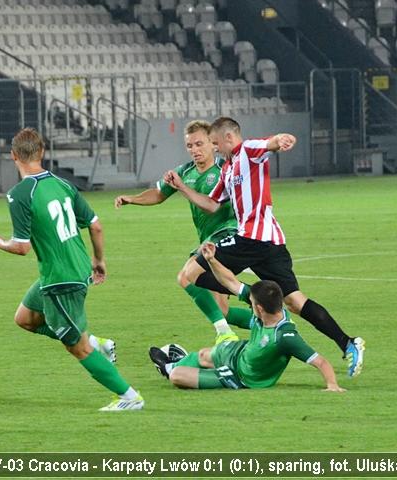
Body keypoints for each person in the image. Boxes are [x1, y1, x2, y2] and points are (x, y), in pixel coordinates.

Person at [164, 117, 365, 377]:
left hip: (253, 238)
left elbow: (269, 144)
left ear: (228, 138)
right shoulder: (228, 169)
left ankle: (255, 300)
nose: (215, 148)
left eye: (215, 143)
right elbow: (212, 205)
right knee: (294, 301)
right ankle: (348, 343)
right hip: (269, 243)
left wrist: (281, 140)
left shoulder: (248, 151)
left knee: (190, 275)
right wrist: (181, 187)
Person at [0, 127, 144, 411]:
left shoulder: (20, 194)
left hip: (61, 280)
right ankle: (97, 341)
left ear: (13, 156)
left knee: (77, 348)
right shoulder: (63, 184)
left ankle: (130, 397)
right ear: (42, 152)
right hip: (73, 269)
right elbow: (95, 224)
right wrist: (99, 260)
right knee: (25, 318)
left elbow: (21, 246)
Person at [114, 120, 252, 343]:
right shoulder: (185, 172)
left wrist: (182, 187)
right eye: (189, 146)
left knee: (186, 277)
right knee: (221, 310)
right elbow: (158, 195)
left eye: (199, 144)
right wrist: (132, 199)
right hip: (209, 239)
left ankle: (224, 334)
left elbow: (212, 205)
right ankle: (272, 322)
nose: (194, 150)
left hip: (227, 234)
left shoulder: (223, 170)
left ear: (213, 143)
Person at [149, 243, 346, 392]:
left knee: (177, 376)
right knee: (203, 355)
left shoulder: (285, 336)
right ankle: (178, 360)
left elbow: (320, 361)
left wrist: (332, 385)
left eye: (251, 303)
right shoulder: (266, 309)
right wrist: (211, 260)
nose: (248, 302)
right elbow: (231, 282)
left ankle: (170, 367)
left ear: (259, 309)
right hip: (238, 354)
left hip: (239, 376)